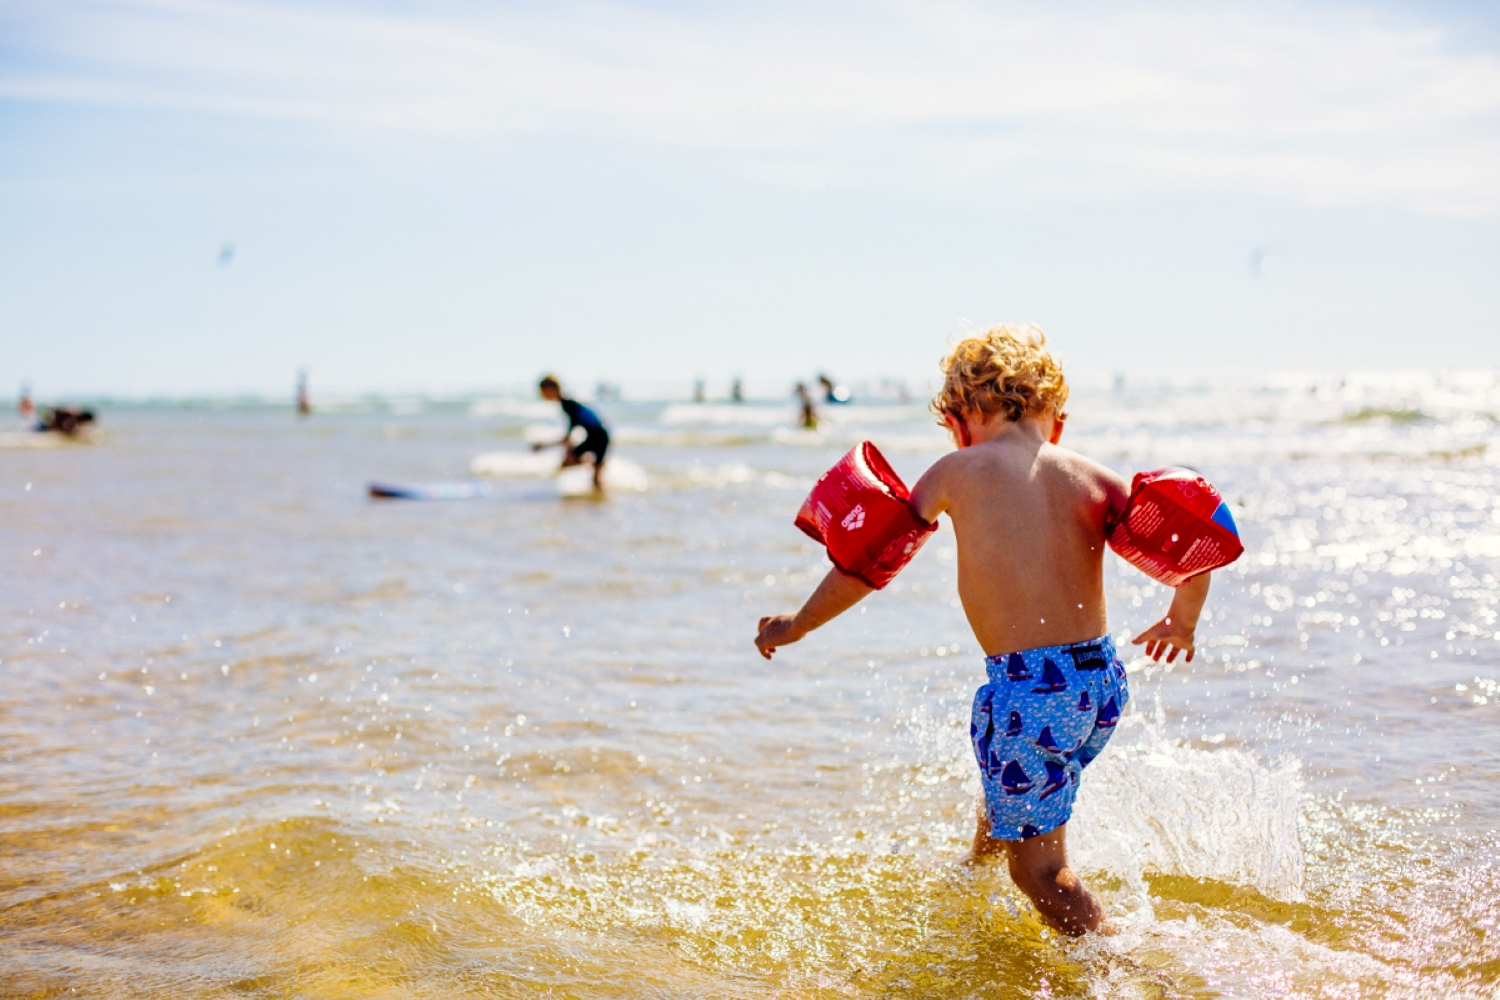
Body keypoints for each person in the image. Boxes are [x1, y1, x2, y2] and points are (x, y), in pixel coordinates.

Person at [755, 326, 1212, 937]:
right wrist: (1182, 622)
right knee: (1007, 777)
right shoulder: (1093, 477)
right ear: (1053, 420)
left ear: (960, 416)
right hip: (1098, 683)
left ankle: (1120, 960)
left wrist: (798, 624)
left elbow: (869, 565)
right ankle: (974, 871)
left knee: (1039, 874)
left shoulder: (955, 471)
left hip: (1033, 688)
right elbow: (1190, 547)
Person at [533, 375, 610, 492]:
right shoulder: (568, 402)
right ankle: (594, 467)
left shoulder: (568, 404)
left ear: (551, 389)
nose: (541, 395)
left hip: (599, 437)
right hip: (598, 435)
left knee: (595, 479)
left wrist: (544, 446)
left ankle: (595, 468)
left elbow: (571, 433)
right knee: (595, 478)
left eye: (542, 391)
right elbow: (574, 430)